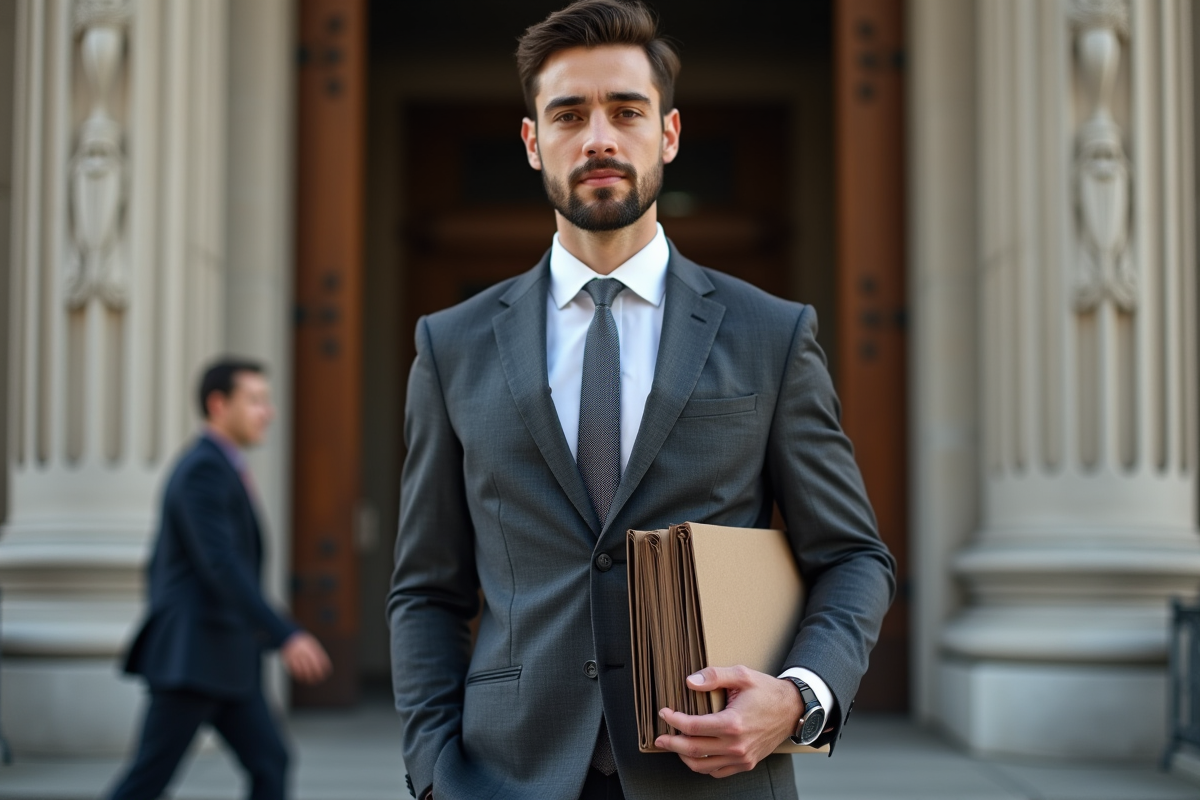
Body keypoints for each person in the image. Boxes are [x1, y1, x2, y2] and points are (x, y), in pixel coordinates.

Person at [387, 2, 896, 798]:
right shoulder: (450, 347)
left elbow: (855, 558)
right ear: (533, 142)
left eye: (626, 111)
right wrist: (432, 776)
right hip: (507, 777)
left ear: (668, 134)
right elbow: (426, 590)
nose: (598, 138)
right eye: (568, 115)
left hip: (716, 776)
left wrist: (798, 700)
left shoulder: (773, 334)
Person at [107, 359, 332, 800]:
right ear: (218, 404)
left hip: (226, 659)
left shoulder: (221, 467)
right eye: (255, 400)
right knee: (145, 782)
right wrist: (285, 634)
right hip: (193, 658)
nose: (267, 412)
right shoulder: (203, 470)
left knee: (271, 762)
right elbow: (221, 565)